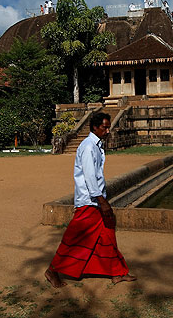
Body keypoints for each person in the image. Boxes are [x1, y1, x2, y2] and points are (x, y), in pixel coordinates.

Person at [45, 112, 137, 288]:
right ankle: (52, 270)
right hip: (89, 201)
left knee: (108, 233)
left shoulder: (96, 145)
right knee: (74, 237)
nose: (108, 131)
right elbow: (89, 177)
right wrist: (101, 201)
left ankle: (117, 272)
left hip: (96, 199)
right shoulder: (88, 147)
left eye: (109, 127)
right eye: (105, 127)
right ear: (95, 127)